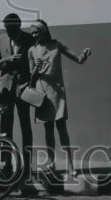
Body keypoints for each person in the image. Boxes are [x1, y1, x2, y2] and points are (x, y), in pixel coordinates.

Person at [28, 19, 91, 180]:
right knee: (48, 129)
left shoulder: (57, 45)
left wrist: (83, 55)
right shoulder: (32, 51)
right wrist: (36, 66)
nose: (34, 35)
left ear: (43, 31)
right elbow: (31, 78)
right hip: (42, 94)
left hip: (57, 92)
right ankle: (51, 163)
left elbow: (77, 59)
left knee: (62, 128)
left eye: (36, 31)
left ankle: (70, 165)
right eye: (32, 32)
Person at [0, 12, 34, 191]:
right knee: (5, 127)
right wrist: (7, 59)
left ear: (18, 26)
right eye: (6, 29)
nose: (8, 32)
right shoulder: (0, 39)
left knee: (25, 126)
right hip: (6, 89)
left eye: (11, 29)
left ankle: (27, 167)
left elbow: (35, 64)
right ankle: (6, 165)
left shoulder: (29, 39)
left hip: (24, 87)